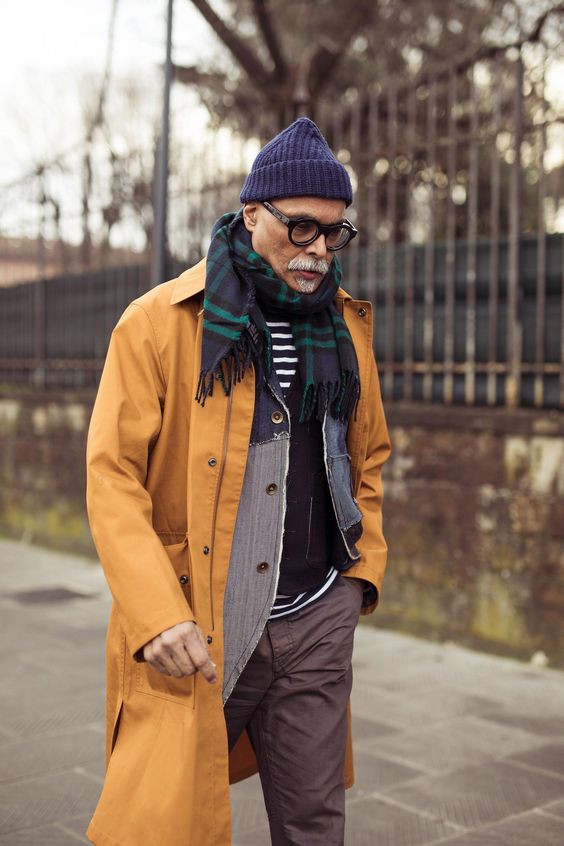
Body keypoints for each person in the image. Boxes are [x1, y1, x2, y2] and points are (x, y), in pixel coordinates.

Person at [85, 117, 391, 846]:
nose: (318, 250)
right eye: (301, 228)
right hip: (199, 624)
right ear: (253, 213)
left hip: (317, 615)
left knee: (315, 823)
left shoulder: (347, 328)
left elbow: (368, 455)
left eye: (335, 233)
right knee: (171, 824)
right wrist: (159, 613)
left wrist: (359, 578)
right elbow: (111, 476)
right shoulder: (158, 323)